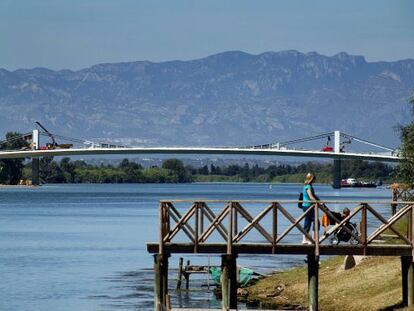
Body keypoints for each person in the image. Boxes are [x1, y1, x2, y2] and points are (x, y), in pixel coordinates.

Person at [302, 173, 320, 244]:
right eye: (314, 179)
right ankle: (314, 238)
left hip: (306, 206)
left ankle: (305, 239)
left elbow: (314, 196)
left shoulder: (307, 186)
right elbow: (311, 197)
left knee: (308, 222)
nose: (315, 180)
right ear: (311, 179)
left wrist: (319, 200)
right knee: (316, 222)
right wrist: (317, 202)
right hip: (308, 206)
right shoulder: (308, 187)